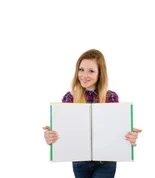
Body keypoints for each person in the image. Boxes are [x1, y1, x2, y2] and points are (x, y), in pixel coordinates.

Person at [42, 49, 142, 178]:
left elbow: (114, 129)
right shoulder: (69, 98)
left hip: (106, 161)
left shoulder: (110, 97)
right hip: (79, 161)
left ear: (100, 74)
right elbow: (66, 131)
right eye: (81, 69)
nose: (84, 75)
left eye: (91, 71)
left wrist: (128, 134)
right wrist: (52, 136)